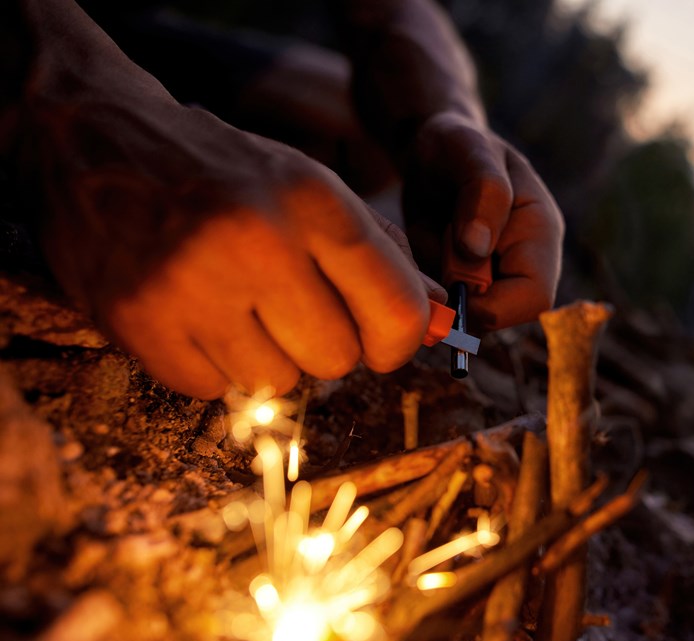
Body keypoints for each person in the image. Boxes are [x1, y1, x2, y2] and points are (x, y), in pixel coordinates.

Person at [0, 0, 564, 399]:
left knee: (354, 128)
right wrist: (70, 104)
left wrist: (445, 116)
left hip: (113, 22)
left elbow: (392, 10)